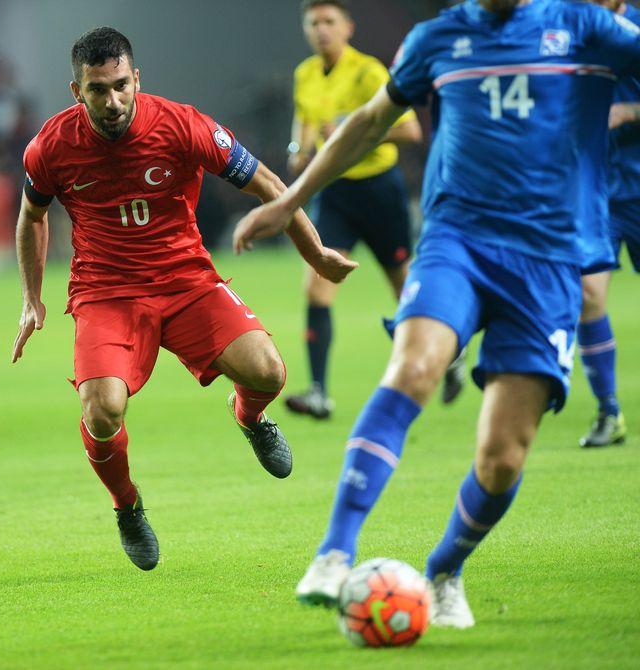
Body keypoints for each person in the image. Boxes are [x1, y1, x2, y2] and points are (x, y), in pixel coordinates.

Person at [233, 0, 640, 627]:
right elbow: (371, 122)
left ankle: (446, 569)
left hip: (549, 259)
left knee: (503, 456)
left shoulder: (583, 27)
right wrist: (290, 201)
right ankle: (334, 552)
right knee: (415, 366)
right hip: (459, 242)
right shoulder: (439, 39)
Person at [11, 27, 357, 572]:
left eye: (121, 85)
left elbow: (267, 183)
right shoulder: (51, 146)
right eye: (97, 90)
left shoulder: (181, 125)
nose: (113, 100)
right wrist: (32, 298)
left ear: (137, 79)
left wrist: (314, 255)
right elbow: (32, 215)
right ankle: (127, 506)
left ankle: (249, 417)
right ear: (76, 92)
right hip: (106, 293)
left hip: (185, 280)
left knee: (269, 373)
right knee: (102, 411)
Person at [284, 0, 434, 419]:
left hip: (379, 191)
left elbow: (409, 129)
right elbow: (305, 125)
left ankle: (443, 360)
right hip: (336, 193)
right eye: (313, 23)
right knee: (317, 286)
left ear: (348, 27)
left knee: (403, 289)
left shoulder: (369, 71)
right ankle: (318, 391)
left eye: (329, 21)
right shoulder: (305, 74)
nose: (321, 30)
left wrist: (351, 129)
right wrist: (299, 151)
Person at [577, 0, 640, 448]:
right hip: (598, 192)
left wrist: (632, 111)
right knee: (587, 294)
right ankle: (609, 410)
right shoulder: (573, 27)